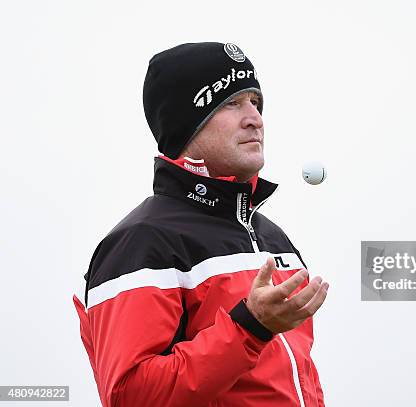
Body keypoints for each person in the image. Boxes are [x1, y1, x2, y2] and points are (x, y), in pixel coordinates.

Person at [73, 42, 329, 407]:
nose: (255, 117)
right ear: (185, 125)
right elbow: (130, 396)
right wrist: (250, 326)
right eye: (231, 102)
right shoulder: (140, 241)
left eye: (256, 102)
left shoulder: (273, 236)